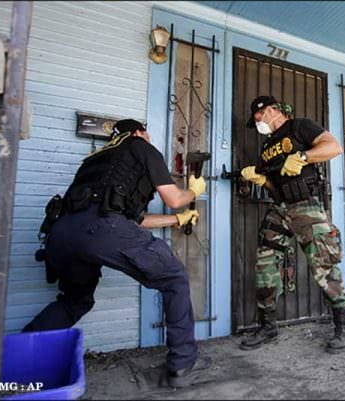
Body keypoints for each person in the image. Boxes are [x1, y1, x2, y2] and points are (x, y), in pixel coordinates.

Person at [23, 119, 210, 388]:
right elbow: (173, 199)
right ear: (137, 132)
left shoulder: (93, 161)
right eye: (146, 131)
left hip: (62, 234)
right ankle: (182, 364)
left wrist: (177, 221)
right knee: (174, 279)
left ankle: (19, 356)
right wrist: (194, 190)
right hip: (101, 230)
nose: (148, 135)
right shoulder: (141, 147)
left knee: (75, 300)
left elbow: (129, 219)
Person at [238, 95, 345, 354]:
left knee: (324, 264)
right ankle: (268, 326)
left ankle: (343, 326)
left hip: (306, 206)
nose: (257, 123)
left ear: (270, 110)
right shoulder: (267, 147)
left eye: (258, 117)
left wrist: (302, 155)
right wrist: (260, 179)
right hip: (280, 208)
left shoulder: (300, 126)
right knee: (265, 263)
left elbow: (333, 147)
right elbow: (274, 188)